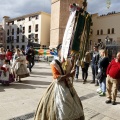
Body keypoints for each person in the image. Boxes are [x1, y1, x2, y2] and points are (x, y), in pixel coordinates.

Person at [34, 44, 85, 120]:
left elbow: (69, 70)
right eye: (64, 50)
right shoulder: (54, 63)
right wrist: (69, 74)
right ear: (58, 51)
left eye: (67, 50)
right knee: (62, 105)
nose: (66, 52)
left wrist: (72, 66)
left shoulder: (68, 61)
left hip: (68, 85)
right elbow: (57, 78)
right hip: (59, 87)